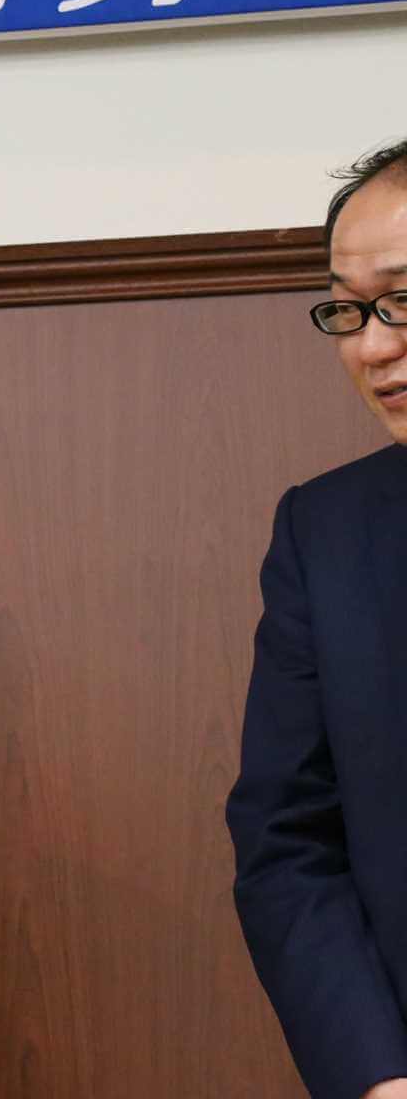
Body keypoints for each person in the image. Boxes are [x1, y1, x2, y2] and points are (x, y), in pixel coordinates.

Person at [228, 139, 407, 1099]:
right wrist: (378, 1079)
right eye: (348, 309)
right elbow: (287, 841)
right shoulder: (325, 530)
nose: (372, 347)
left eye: (403, 300)